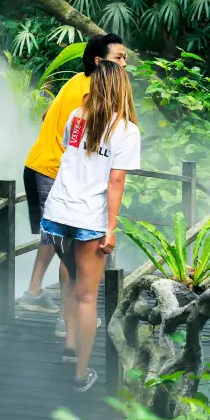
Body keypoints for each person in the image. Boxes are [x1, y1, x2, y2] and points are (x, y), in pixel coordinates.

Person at [19, 35, 127, 339]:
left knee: (57, 238)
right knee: (71, 247)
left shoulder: (77, 81)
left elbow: (48, 116)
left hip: (41, 165)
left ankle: (35, 292)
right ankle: (67, 321)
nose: (124, 64)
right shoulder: (91, 91)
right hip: (54, 170)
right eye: (118, 58)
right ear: (99, 62)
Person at [41, 60, 140, 393]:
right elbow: (115, 182)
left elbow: (72, 157)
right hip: (88, 219)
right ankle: (81, 375)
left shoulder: (76, 118)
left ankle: (69, 345)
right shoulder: (126, 131)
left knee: (68, 276)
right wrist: (110, 228)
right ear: (122, 89)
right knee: (88, 297)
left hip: (58, 213)